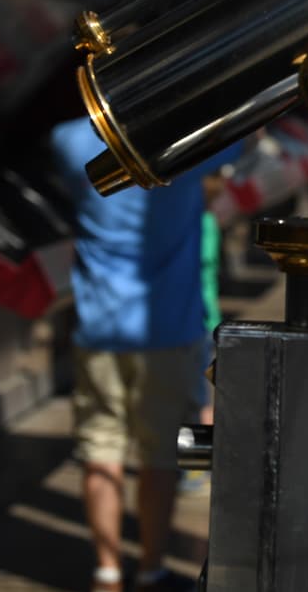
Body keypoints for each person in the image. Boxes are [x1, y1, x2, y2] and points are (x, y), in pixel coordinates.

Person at [50, 117, 239, 592]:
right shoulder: (181, 142)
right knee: (158, 459)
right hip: (169, 328)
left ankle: (107, 571)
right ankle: (151, 568)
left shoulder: (70, 141)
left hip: (100, 326)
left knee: (101, 452)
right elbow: (241, 134)